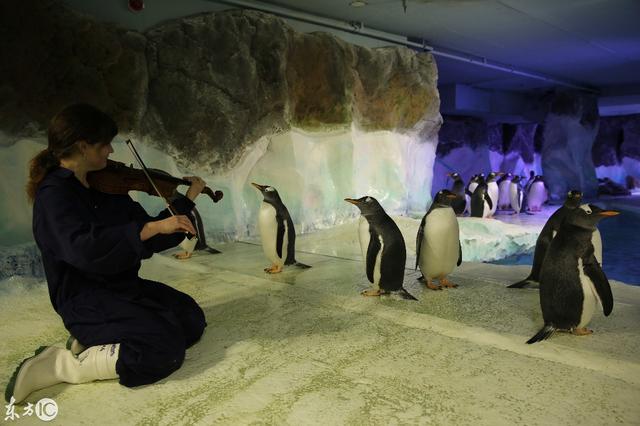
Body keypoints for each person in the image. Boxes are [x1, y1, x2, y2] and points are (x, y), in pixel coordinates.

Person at [5, 103, 207, 404]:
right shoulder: (54, 197)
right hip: (84, 300)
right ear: (83, 147)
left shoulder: (104, 186)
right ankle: (63, 365)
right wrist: (149, 230)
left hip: (122, 289)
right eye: (104, 145)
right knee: (164, 348)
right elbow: (86, 249)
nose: (111, 152)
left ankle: (95, 340)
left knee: (190, 319)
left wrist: (185, 202)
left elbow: (151, 234)